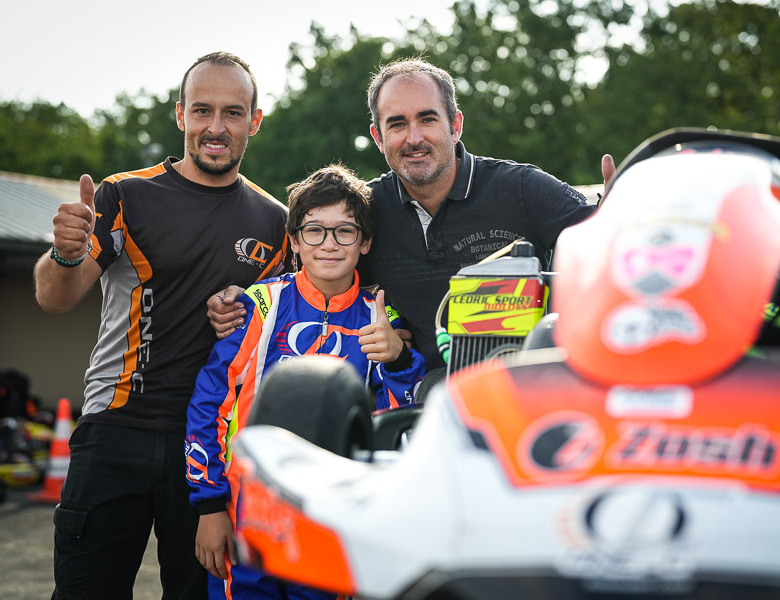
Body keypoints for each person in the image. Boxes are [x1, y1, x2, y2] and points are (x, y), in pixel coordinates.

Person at [33, 51, 290, 600]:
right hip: (113, 432)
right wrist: (64, 253)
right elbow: (56, 298)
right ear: (180, 115)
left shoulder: (276, 222)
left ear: (255, 120)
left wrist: (245, 310)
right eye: (202, 111)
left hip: (209, 451)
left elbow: (280, 325)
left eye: (232, 112)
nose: (215, 128)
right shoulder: (124, 194)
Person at [209, 57, 614, 374]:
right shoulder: (365, 210)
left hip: (529, 384)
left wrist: (618, 218)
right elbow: (312, 276)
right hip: (422, 394)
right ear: (378, 137)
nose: (414, 138)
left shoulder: (524, 189)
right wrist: (242, 299)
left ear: (455, 125)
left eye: (427, 119)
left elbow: (610, 253)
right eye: (397, 124)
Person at [186, 164, 424, 599]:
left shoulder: (384, 315)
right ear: (294, 241)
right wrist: (209, 505)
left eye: (345, 231)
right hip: (249, 518)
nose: (329, 244)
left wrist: (400, 357)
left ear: (365, 242)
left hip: (337, 522)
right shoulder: (259, 304)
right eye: (314, 230)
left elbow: (402, 421)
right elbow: (210, 404)